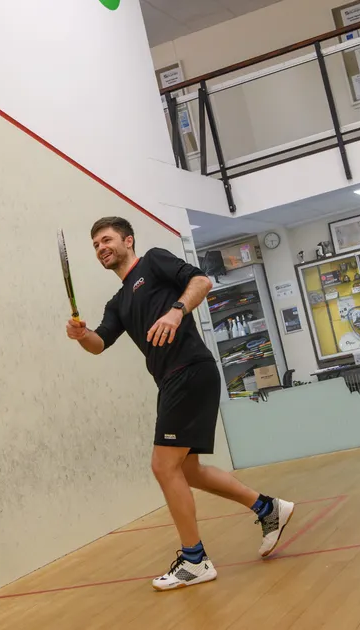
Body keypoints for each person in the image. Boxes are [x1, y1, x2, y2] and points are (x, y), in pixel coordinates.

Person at [65, 216, 295, 590]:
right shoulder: (119, 301)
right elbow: (99, 344)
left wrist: (176, 311)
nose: (101, 248)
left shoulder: (154, 261)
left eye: (106, 239)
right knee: (187, 470)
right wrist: (80, 334)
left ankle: (195, 560)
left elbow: (202, 281)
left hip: (189, 370)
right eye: (95, 245)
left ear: (128, 240)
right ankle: (268, 509)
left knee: (162, 466)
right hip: (174, 381)